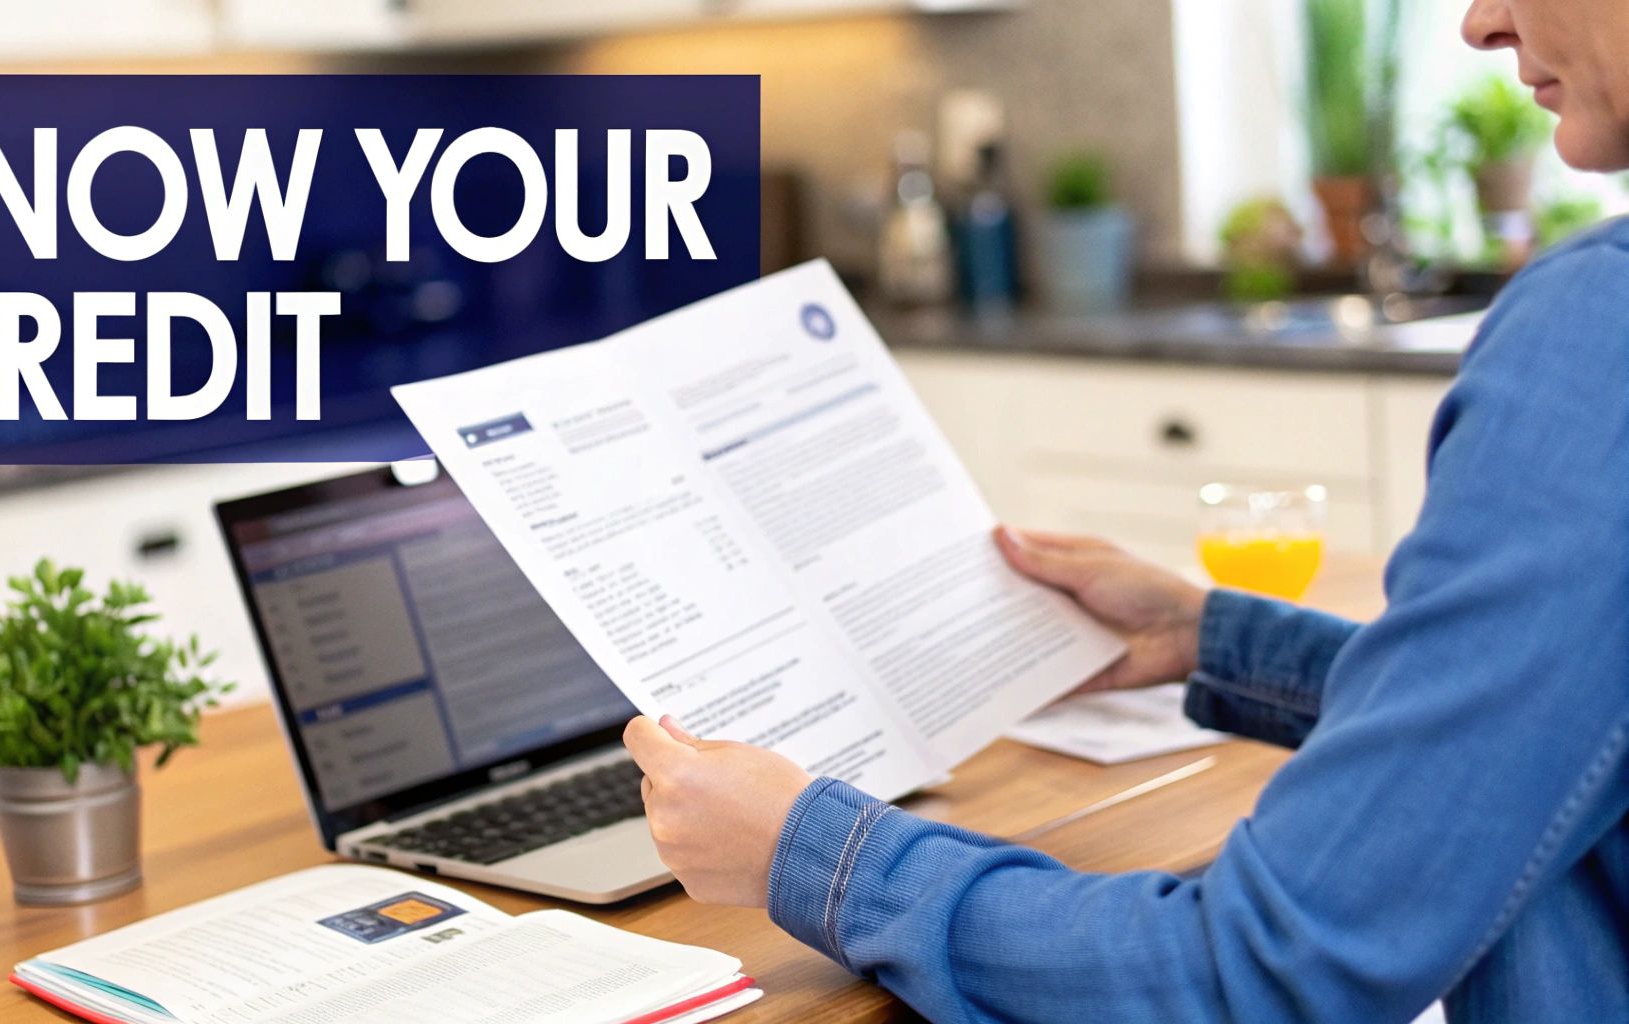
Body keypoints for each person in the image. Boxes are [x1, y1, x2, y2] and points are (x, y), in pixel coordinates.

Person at [621, 0, 1629, 1019]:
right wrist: (1214, 639)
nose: (1477, 22)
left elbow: (1251, 972)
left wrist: (811, 854)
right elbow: (1557, 720)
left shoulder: (1599, 330)